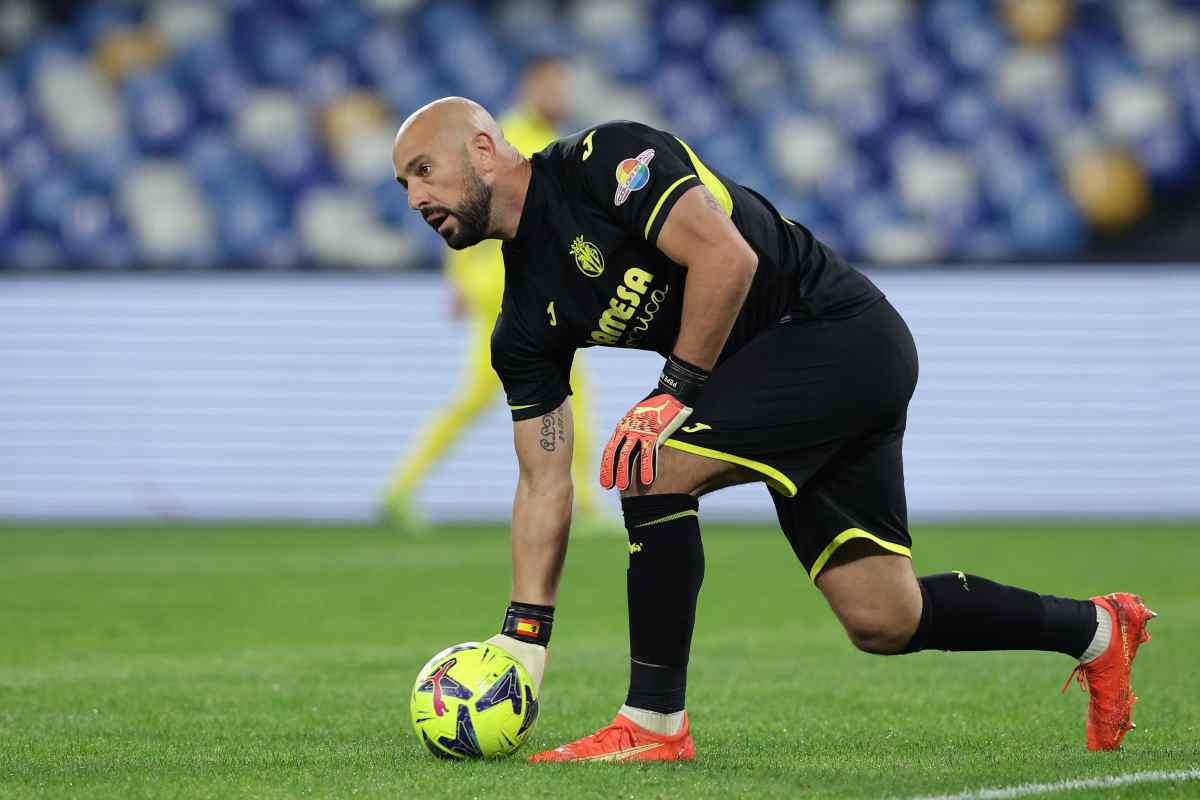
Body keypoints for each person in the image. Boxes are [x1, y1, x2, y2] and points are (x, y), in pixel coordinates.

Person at [390, 97, 1156, 762]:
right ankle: (1097, 628)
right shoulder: (523, 324)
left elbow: (728, 258)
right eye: (403, 186)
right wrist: (523, 637)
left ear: (484, 149)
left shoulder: (605, 161)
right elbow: (542, 478)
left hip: (835, 334)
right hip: (776, 381)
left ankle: (653, 723)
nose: (416, 197)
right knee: (883, 618)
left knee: (649, 463)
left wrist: (673, 393)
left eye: (424, 170)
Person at [379, 57, 609, 534]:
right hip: (511, 282)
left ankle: (401, 486)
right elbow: (465, 199)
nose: (561, 95)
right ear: (531, 87)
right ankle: (584, 503)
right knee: (571, 391)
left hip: (513, 281)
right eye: (553, 85)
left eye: (564, 86)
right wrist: (462, 276)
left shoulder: (533, 134)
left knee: (479, 397)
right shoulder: (510, 137)